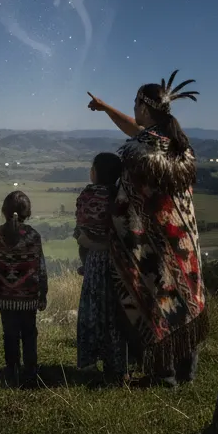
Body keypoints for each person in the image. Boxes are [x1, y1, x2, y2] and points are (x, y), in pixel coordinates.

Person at [86, 71, 207, 386]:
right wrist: (106, 108)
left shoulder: (141, 151)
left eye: (135, 104)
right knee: (184, 301)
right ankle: (187, 372)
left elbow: (129, 202)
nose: (134, 110)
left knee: (156, 300)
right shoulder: (180, 147)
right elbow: (135, 127)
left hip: (153, 246)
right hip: (183, 243)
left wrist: (113, 225)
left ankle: (162, 375)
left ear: (144, 107)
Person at [0, 190, 47, 386]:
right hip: (28, 297)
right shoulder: (33, 236)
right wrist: (42, 293)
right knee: (29, 333)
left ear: (4, 211)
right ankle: (31, 372)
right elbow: (40, 267)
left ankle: (11, 371)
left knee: (9, 333)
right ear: (27, 213)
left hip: (4, 297)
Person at [74, 152, 129, 381]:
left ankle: (87, 362)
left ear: (95, 172)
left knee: (91, 310)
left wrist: (88, 243)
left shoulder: (87, 195)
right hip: (119, 264)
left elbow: (81, 228)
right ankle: (118, 366)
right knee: (116, 314)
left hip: (94, 261)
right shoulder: (120, 197)